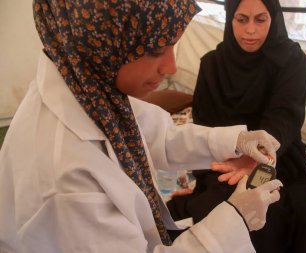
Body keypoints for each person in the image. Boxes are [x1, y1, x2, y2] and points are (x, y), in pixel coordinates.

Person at [0, 0, 284, 252]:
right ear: (99, 41)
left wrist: (236, 141)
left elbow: (156, 135)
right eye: (157, 48)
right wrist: (236, 218)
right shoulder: (65, 181)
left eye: (173, 44)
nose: (171, 67)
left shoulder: (88, 86)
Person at [167, 0, 306, 252]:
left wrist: (261, 156)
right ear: (231, 19)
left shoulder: (291, 59)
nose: (250, 30)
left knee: (302, 213)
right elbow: (204, 126)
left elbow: (285, 115)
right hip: (228, 158)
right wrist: (237, 156)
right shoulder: (212, 64)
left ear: (273, 19)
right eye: (242, 19)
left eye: (260, 20)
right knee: (226, 214)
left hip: (279, 153)